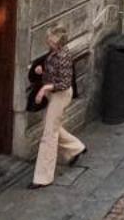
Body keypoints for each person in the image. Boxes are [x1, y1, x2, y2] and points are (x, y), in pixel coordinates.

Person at [32, 26, 86, 187]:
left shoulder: (64, 55)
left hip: (60, 96)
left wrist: (44, 88)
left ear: (58, 43)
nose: (47, 41)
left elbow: (64, 83)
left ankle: (43, 177)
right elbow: (53, 70)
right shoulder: (54, 52)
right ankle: (76, 148)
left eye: (50, 40)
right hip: (53, 94)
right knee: (51, 126)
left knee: (49, 135)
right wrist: (41, 70)